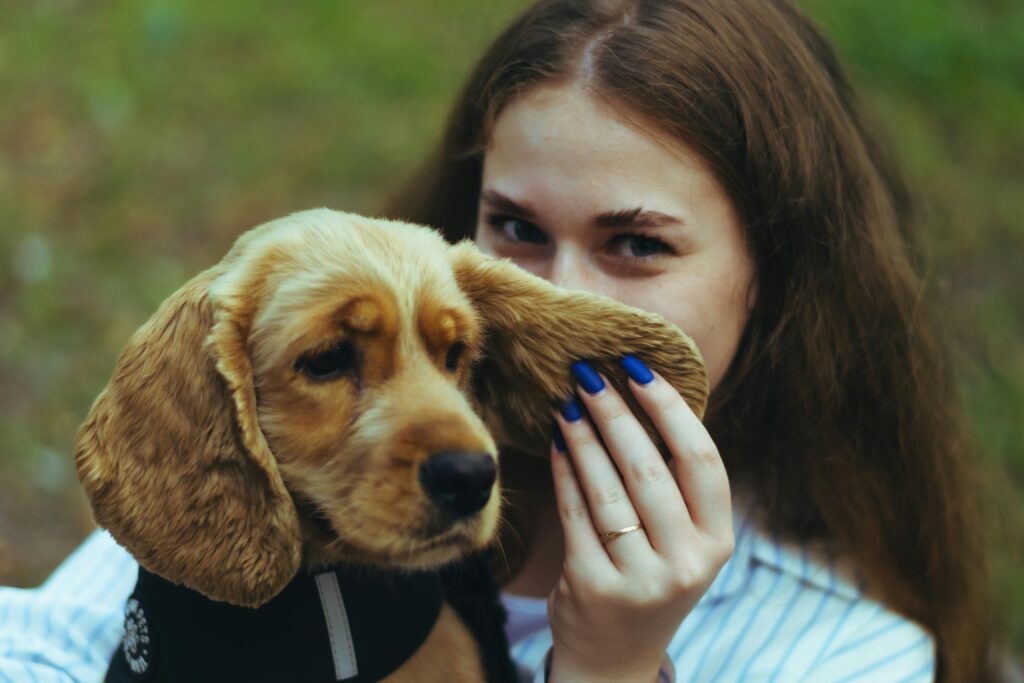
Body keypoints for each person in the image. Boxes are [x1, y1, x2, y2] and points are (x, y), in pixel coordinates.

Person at [0, 1, 993, 681]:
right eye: (514, 227)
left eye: (637, 243)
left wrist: (612, 665)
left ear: (776, 288)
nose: (541, 295)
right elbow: (39, 643)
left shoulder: (840, 651)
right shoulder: (291, 484)